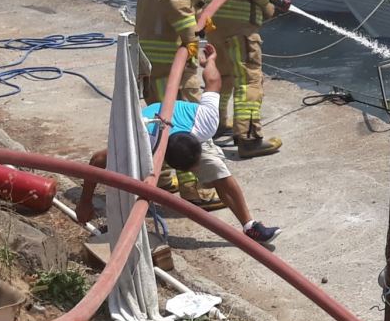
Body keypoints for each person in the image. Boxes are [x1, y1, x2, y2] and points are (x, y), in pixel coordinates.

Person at [76, 45, 281, 244]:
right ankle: (118, 224)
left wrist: (209, 61)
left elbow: (213, 81)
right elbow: (97, 161)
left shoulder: (206, 122)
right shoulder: (140, 141)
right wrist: (85, 202)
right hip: (152, 129)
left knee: (219, 172)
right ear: (170, 163)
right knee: (129, 183)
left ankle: (249, 226)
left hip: (188, 126)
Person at [135, 0, 221, 210]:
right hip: (174, 60)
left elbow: (161, 8)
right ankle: (196, 190)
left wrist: (198, 24)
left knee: (160, 120)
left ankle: (162, 178)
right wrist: (190, 39)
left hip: (149, 58)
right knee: (186, 123)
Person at [202, 0, 286, 158]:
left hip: (215, 26)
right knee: (248, 80)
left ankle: (215, 125)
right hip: (241, 28)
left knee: (224, 77)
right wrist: (269, 7)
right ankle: (248, 138)